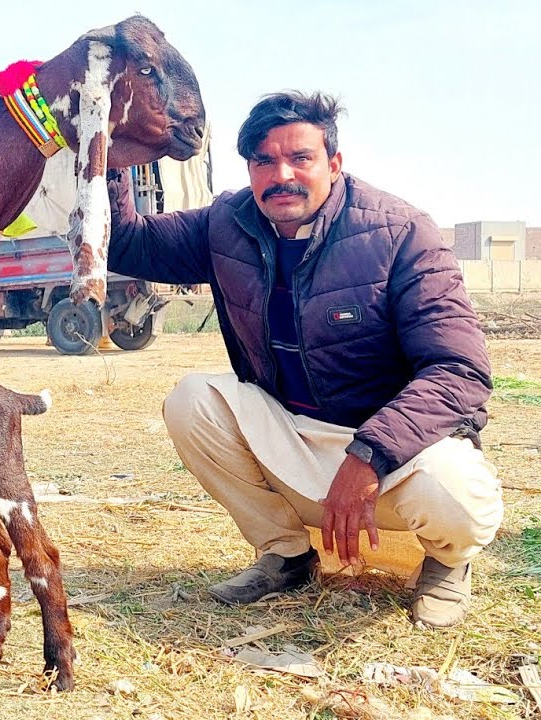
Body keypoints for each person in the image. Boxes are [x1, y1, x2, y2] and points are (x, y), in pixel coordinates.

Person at [105, 91, 503, 628]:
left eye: (301, 158)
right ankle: (287, 554)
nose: (281, 175)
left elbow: (459, 372)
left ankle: (448, 564)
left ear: (334, 164)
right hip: (292, 433)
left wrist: (370, 455)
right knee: (193, 401)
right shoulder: (228, 222)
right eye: (264, 161)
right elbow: (128, 243)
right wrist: (112, 161)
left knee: (454, 490)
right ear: (249, 168)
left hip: (393, 450)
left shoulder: (400, 232)